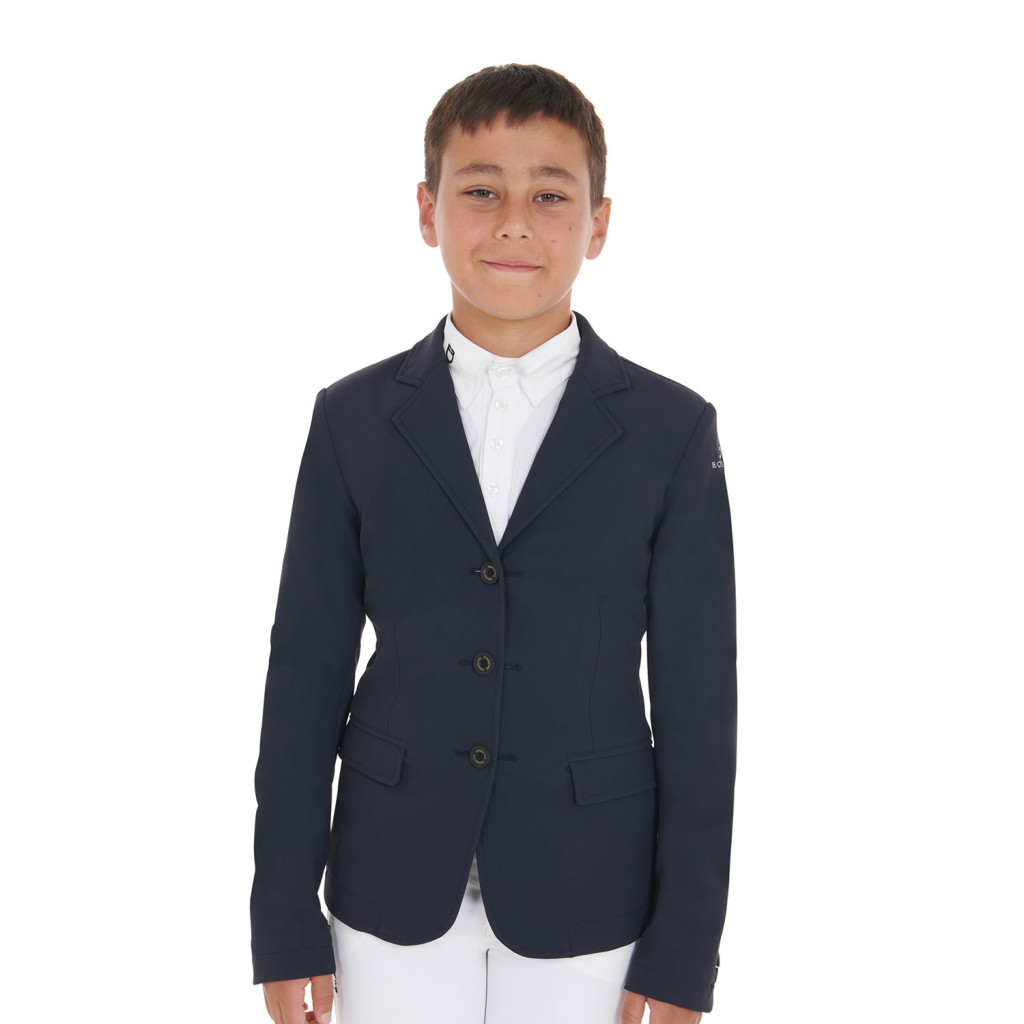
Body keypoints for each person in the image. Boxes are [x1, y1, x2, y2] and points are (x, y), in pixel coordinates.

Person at [251, 63, 737, 1024]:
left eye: (550, 196)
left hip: (591, 890)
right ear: (427, 211)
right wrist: (283, 920)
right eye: (481, 191)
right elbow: (303, 674)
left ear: (598, 224)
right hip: (388, 883)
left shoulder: (673, 431)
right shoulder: (351, 419)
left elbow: (699, 704)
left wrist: (685, 951)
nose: (515, 222)